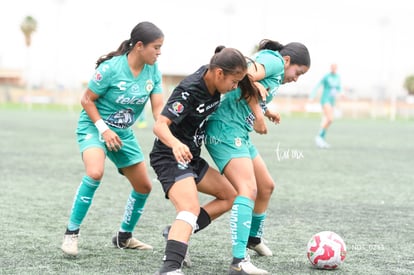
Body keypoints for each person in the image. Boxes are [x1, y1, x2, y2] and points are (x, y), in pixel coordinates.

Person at [205, 39, 311, 274]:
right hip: (225, 131)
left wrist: (266, 110)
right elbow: (243, 74)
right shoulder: (273, 61)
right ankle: (238, 261)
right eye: (298, 72)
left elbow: (249, 87)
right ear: (287, 61)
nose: (296, 78)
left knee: (265, 186)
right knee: (247, 190)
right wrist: (258, 115)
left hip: (239, 132)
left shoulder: (273, 67)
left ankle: (253, 238)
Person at [150, 46, 259, 275]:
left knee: (230, 195)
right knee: (188, 208)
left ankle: (176, 233)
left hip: (191, 157)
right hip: (170, 156)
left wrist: (262, 110)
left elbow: (243, 77)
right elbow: (159, 126)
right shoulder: (189, 90)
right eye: (234, 82)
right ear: (219, 73)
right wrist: (176, 144)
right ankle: (170, 268)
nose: (235, 87)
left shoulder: (216, 76)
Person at [61, 21, 164, 257]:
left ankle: (123, 237)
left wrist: (168, 127)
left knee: (144, 187)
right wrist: (104, 130)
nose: (159, 52)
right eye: (156, 47)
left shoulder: (154, 71)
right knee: (95, 172)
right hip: (94, 127)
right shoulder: (110, 69)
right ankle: (71, 233)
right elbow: (87, 100)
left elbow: (158, 110)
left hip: (123, 134)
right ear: (140, 46)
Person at [309, 63, 342, 148]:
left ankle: (321, 138)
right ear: (330, 68)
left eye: (335, 67)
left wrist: (342, 93)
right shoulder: (327, 76)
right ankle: (319, 137)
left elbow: (339, 88)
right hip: (325, 100)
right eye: (332, 67)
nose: (333, 69)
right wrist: (312, 96)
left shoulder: (338, 77)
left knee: (328, 120)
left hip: (332, 101)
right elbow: (318, 85)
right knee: (330, 119)